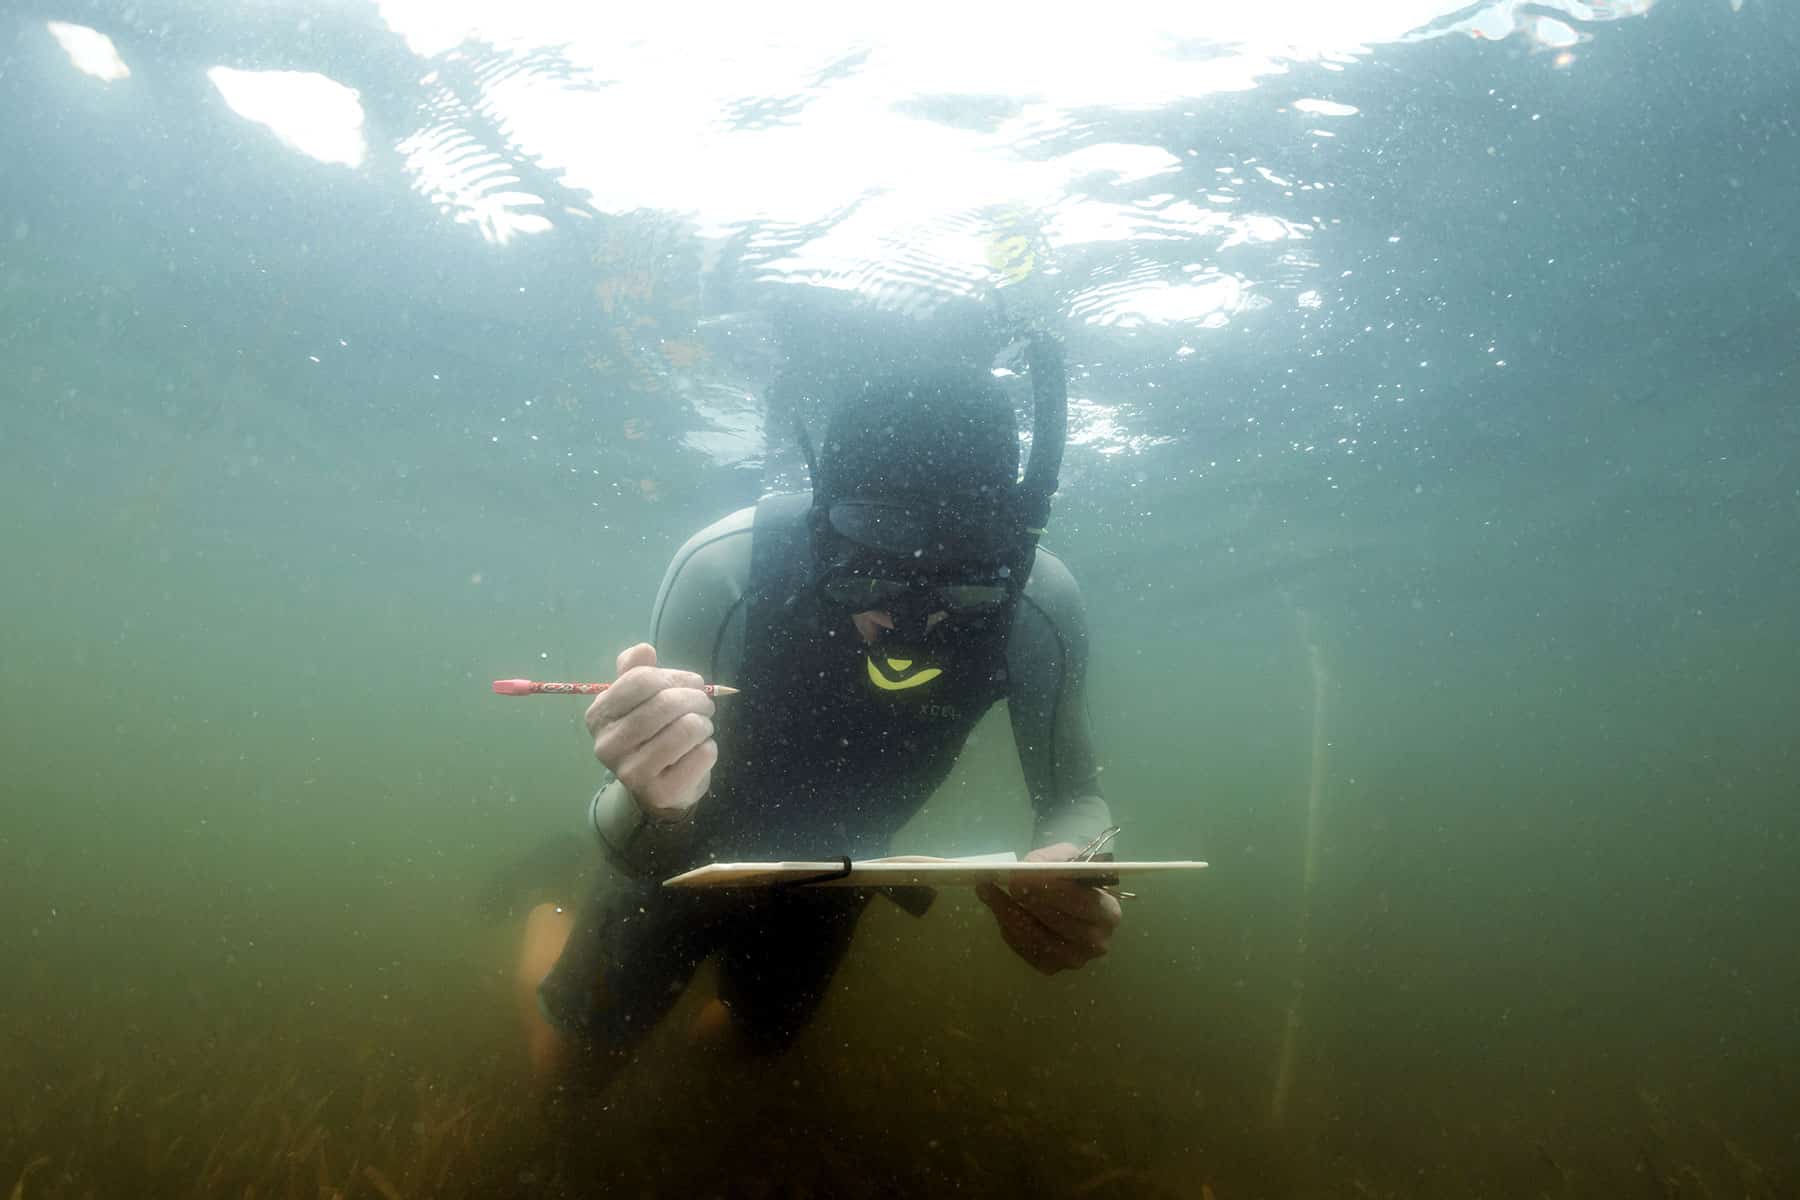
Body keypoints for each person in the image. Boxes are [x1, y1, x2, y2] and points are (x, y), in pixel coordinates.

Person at [514, 330, 1121, 1083]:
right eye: (870, 575)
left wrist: (1076, 870)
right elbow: (638, 849)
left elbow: (1072, 799)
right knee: (568, 1062)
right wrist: (646, 795)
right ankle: (548, 911)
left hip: (838, 871)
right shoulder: (728, 570)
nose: (908, 624)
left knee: (753, 1046)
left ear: (1013, 549)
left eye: (964, 588)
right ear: (821, 528)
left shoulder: (1040, 604)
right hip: (682, 854)